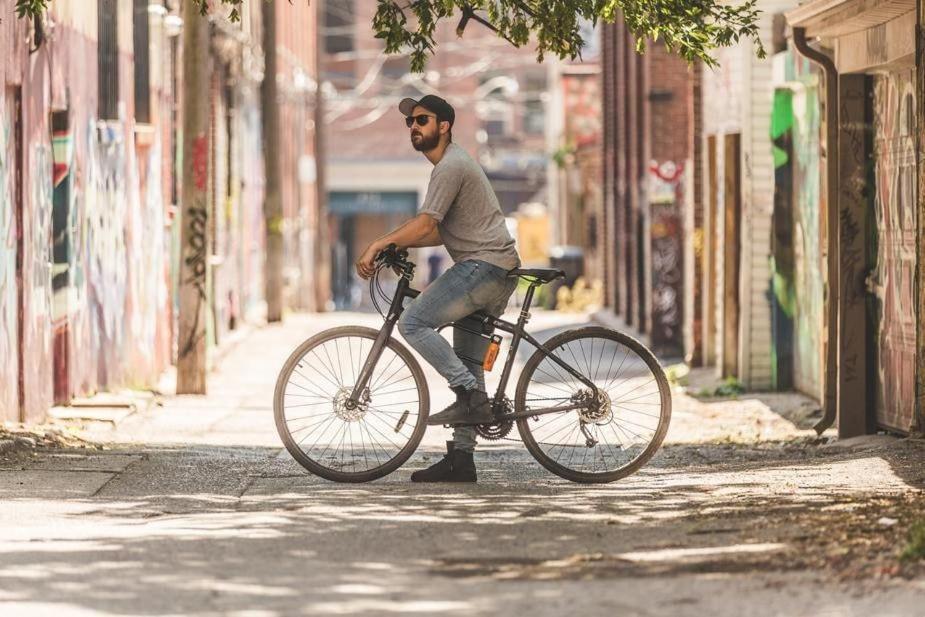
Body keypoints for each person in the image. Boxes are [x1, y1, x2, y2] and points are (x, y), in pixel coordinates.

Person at [355, 94, 520, 483]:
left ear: (443, 126)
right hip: (494, 268)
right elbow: (439, 232)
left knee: (413, 322)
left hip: (483, 267)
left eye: (422, 120)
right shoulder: (451, 166)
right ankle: (462, 459)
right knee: (468, 361)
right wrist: (394, 244)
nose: (414, 126)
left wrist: (379, 243)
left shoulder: (450, 165)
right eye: (410, 122)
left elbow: (428, 225)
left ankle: (468, 393)